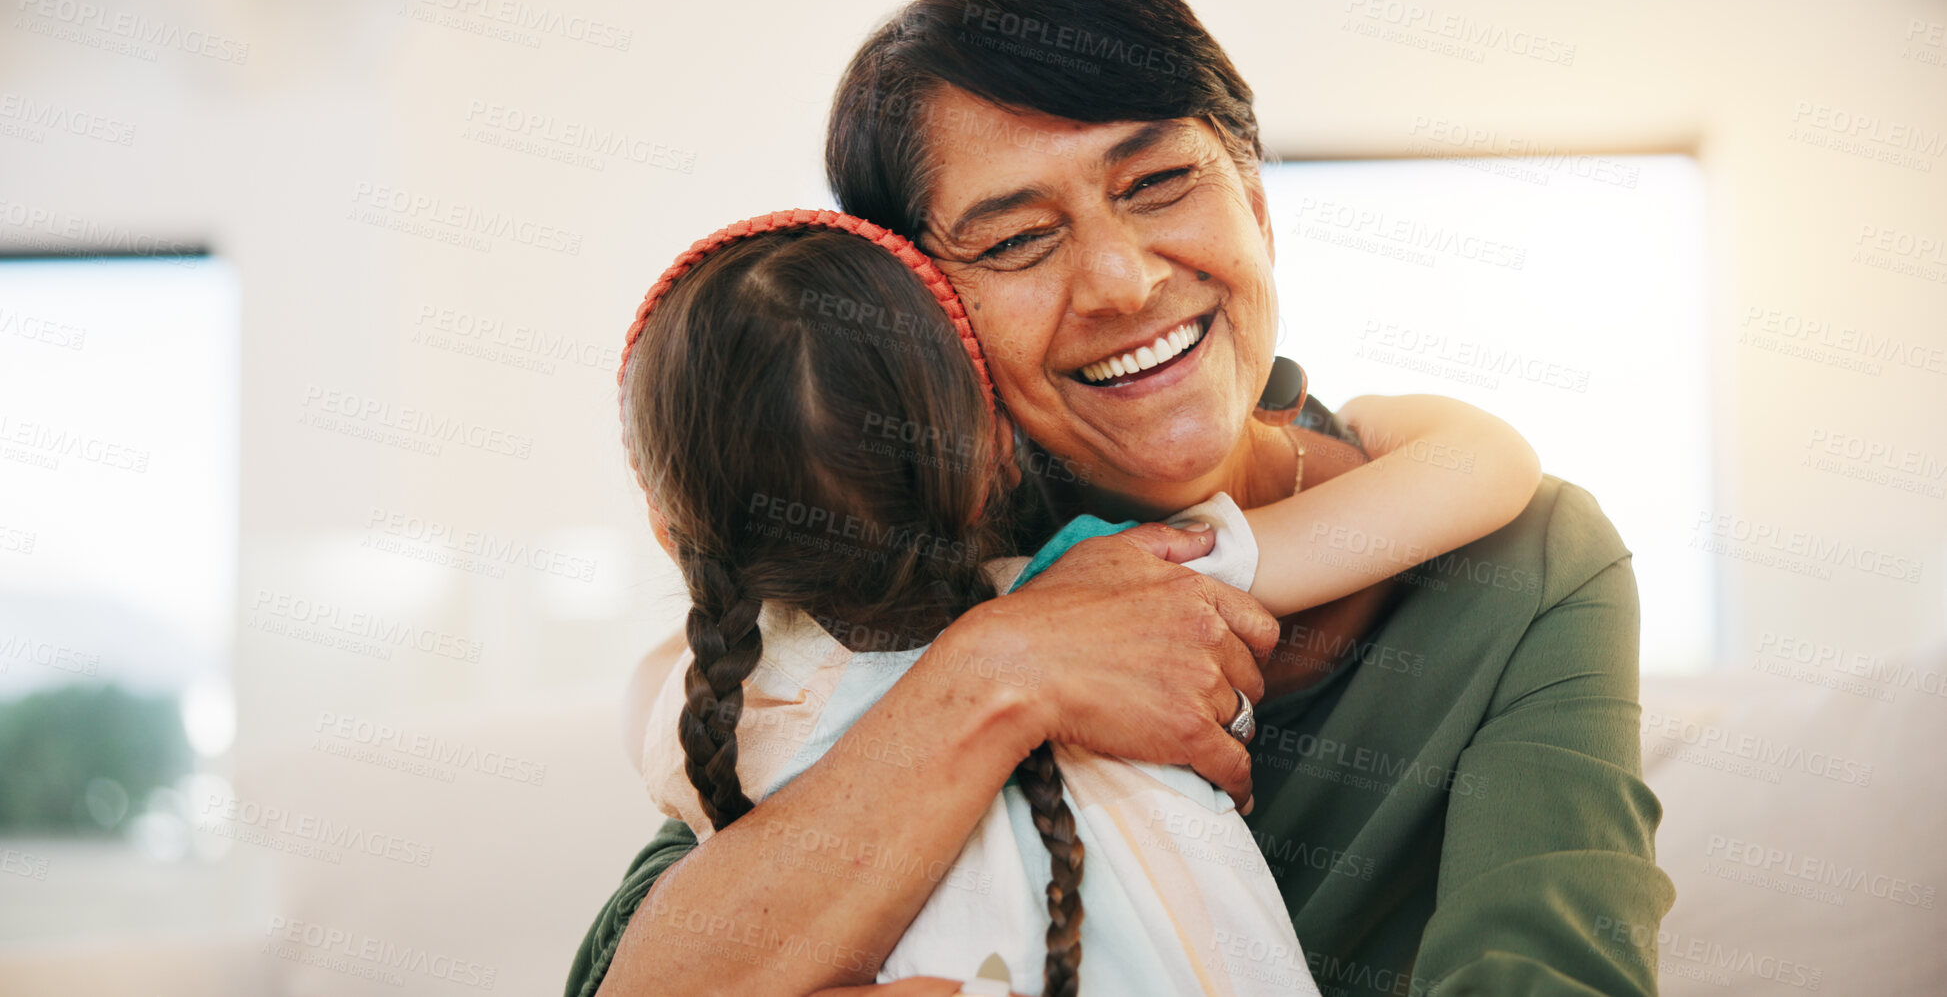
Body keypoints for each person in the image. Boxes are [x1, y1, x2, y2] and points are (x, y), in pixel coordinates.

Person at [569, 0, 1676, 995]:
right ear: (923, 319)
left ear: (1256, 202)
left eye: (1158, 183)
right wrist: (1000, 669)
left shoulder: (1529, 561)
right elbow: (644, 965)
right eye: (1013, 241)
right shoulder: (891, 576)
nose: (1120, 280)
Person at [617, 209, 1540, 995]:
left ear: (668, 529)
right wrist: (1364, 415)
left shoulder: (696, 710)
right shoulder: (1104, 592)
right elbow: (1483, 471)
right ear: (994, 460)